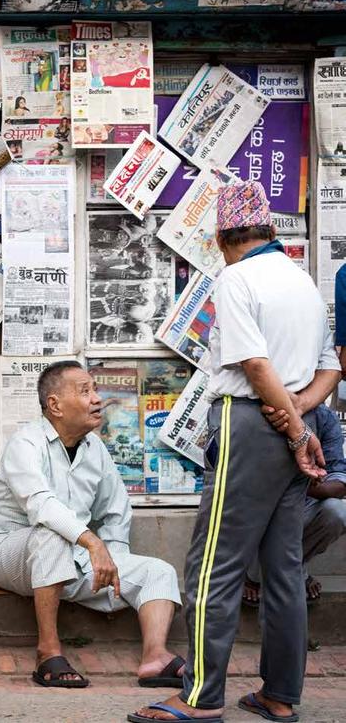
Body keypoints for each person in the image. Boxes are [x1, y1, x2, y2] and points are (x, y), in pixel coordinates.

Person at [130, 181, 340, 723]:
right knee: (284, 568)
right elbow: (330, 369)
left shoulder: (236, 277)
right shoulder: (303, 282)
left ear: (224, 237)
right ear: (269, 231)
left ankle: (200, 699)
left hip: (251, 424)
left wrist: (292, 430)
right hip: (301, 419)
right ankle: (280, 696)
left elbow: (253, 365)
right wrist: (300, 414)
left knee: (212, 568)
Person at [0, 361, 184, 689]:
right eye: (85, 391)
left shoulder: (95, 448)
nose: (97, 399)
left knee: (159, 572)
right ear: (55, 405)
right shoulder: (26, 442)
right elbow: (40, 505)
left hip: (74, 560)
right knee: (52, 534)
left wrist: (112, 560)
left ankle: (155, 656)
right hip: (11, 554)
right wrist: (93, 543)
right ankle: (48, 654)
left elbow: (116, 510)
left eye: (95, 390)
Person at [242, 403, 346, 606]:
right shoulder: (255, 410)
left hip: (301, 509)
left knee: (337, 511)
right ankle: (282, 573)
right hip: (258, 511)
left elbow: (340, 483)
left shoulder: (323, 417)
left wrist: (299, 483)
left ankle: (266, 573)